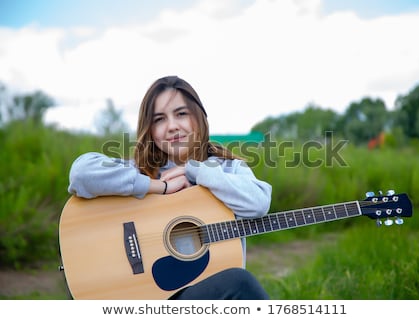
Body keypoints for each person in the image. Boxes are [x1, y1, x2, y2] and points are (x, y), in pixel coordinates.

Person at [68, 75, 272, 300]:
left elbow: (259, 204)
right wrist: (159, 186)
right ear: (150, 129)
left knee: (238, 284)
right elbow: (81, 173)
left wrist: (195, 171)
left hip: (204, 294)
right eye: (159, 119)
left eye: (181, 114)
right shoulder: (140, 170)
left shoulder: (228, 169)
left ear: (198, 117)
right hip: (145, 296)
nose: (172, 126)